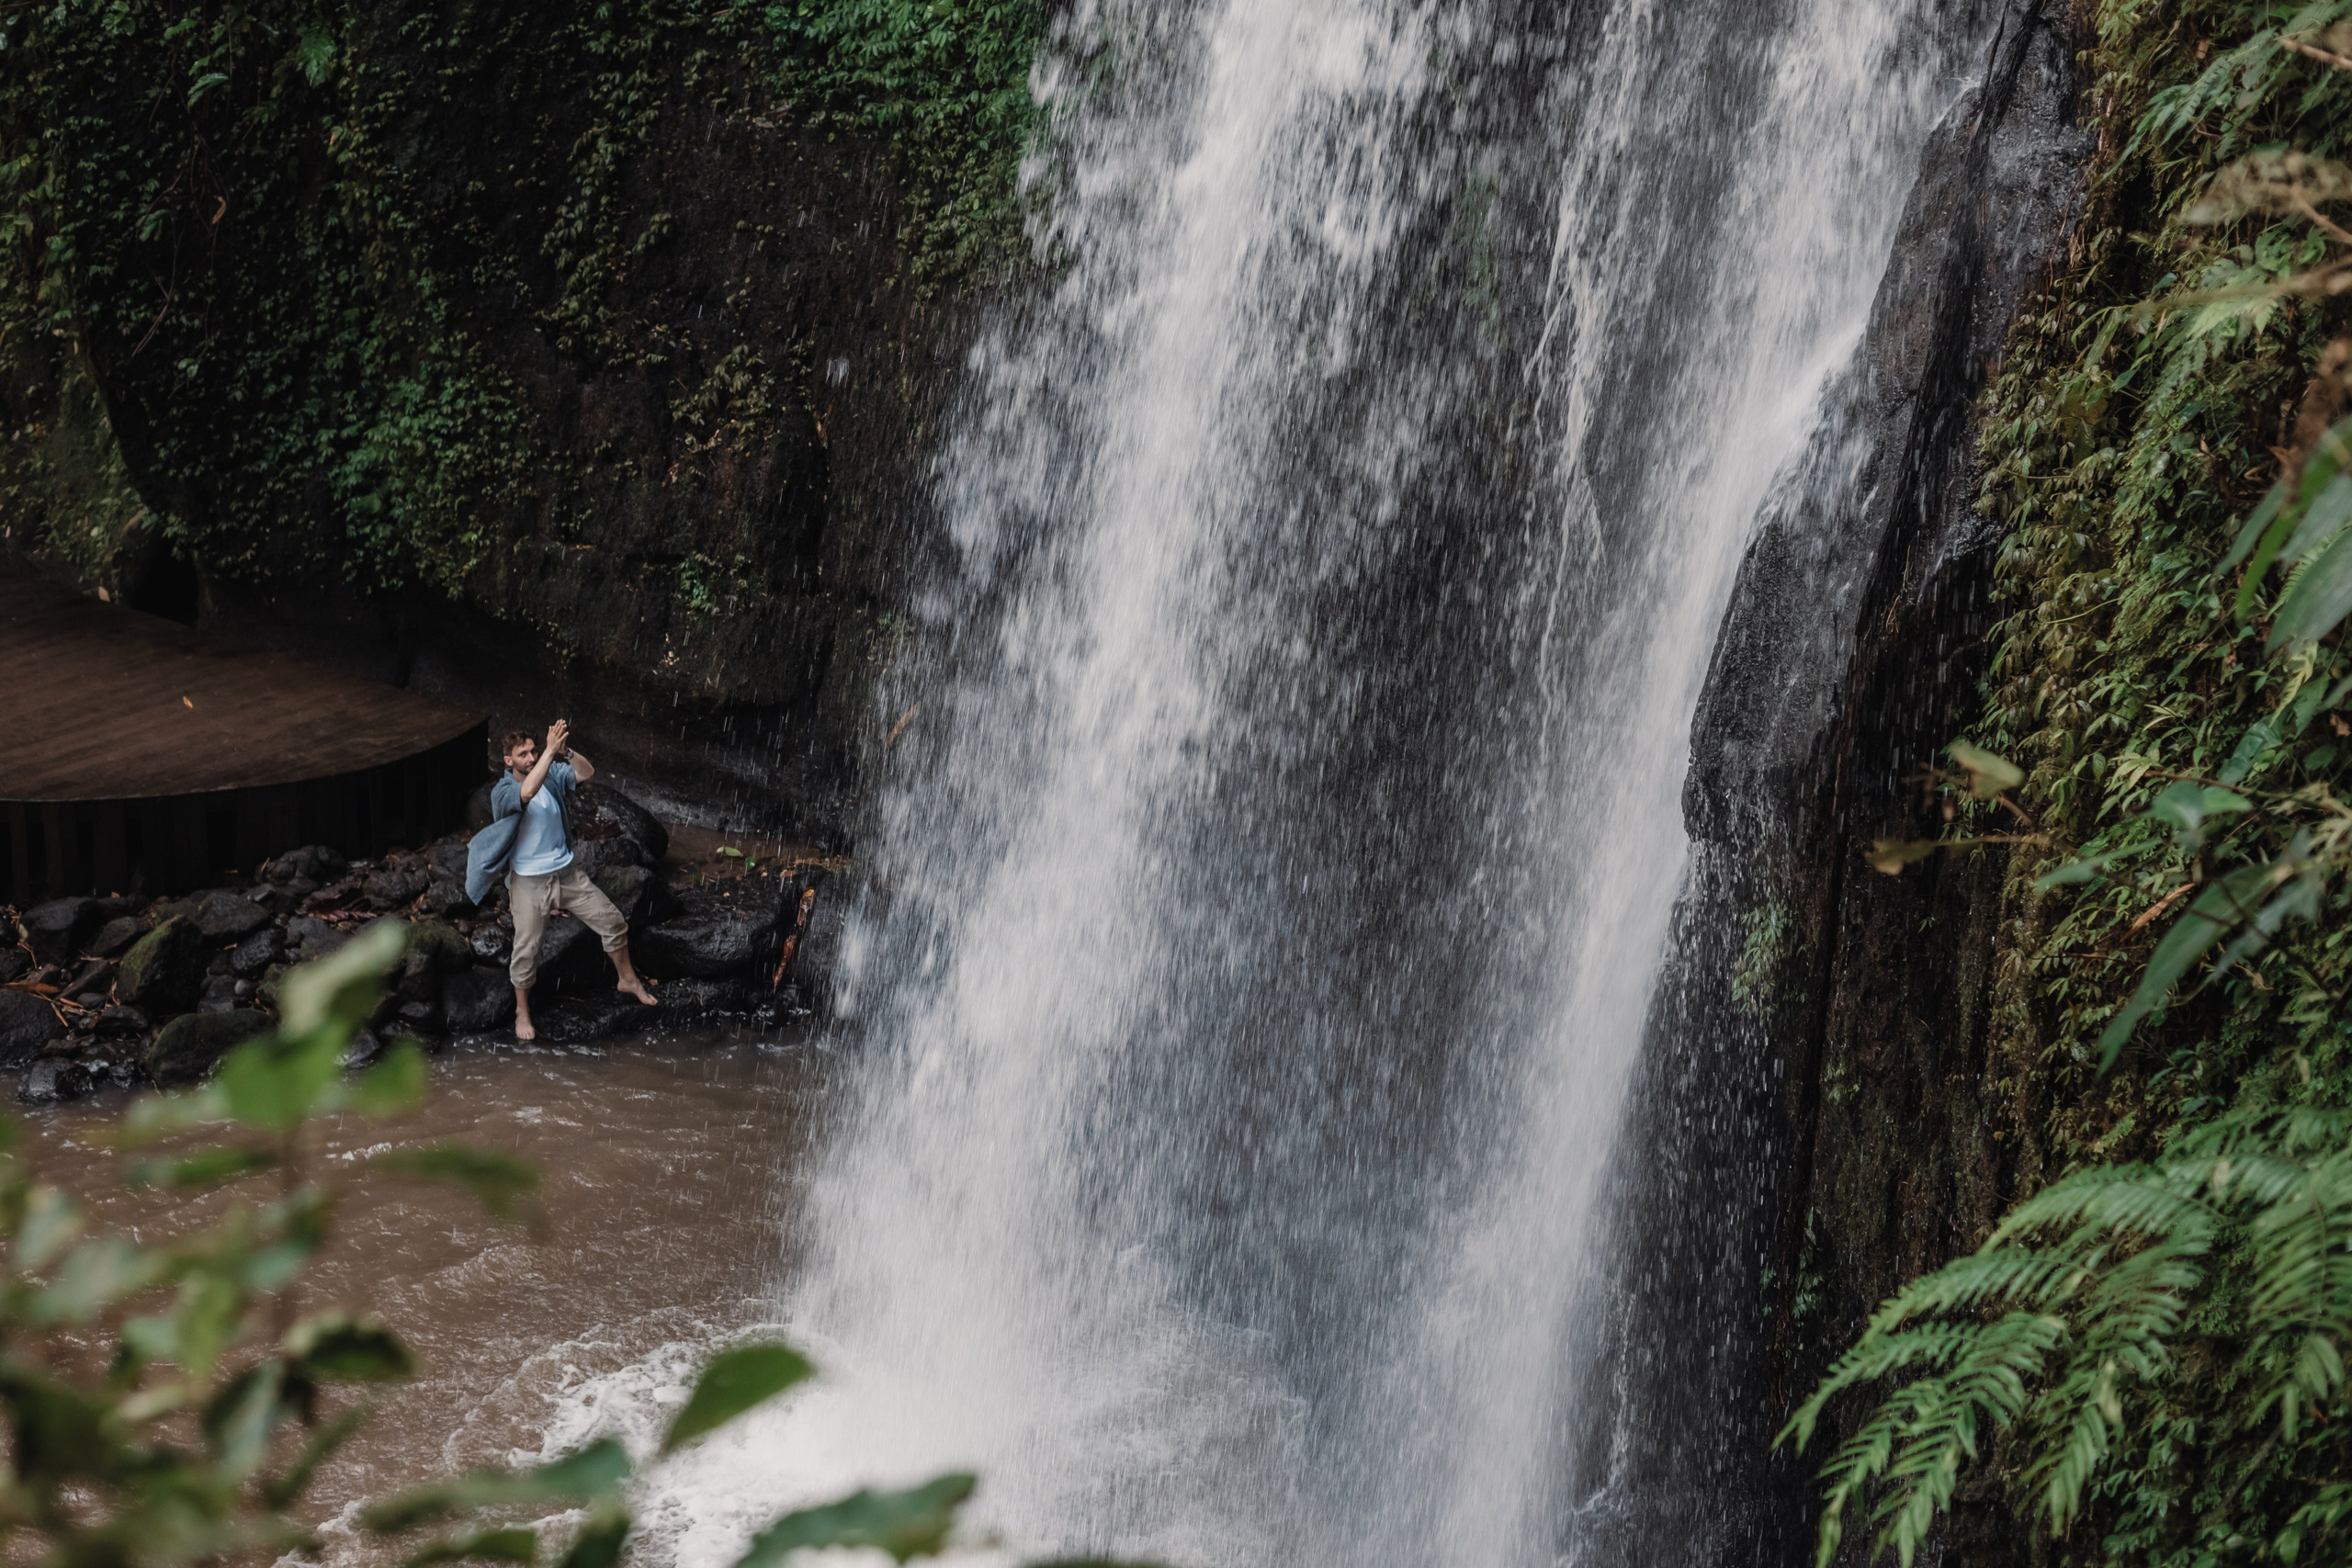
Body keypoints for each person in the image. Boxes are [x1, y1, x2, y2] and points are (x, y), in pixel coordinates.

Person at [462, 720, 656, 1041]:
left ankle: (628, 980)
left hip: (566, 875)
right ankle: (522, 1011)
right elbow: (526, 793)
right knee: (527, 950)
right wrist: (549, 753)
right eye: (522, 754)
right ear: (508, 760)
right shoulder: (503, 791)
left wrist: (564, 751)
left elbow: (585, 772)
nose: (530, 757)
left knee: (613, 921)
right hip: (529, 883)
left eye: (533, 751)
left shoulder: (550, 774)